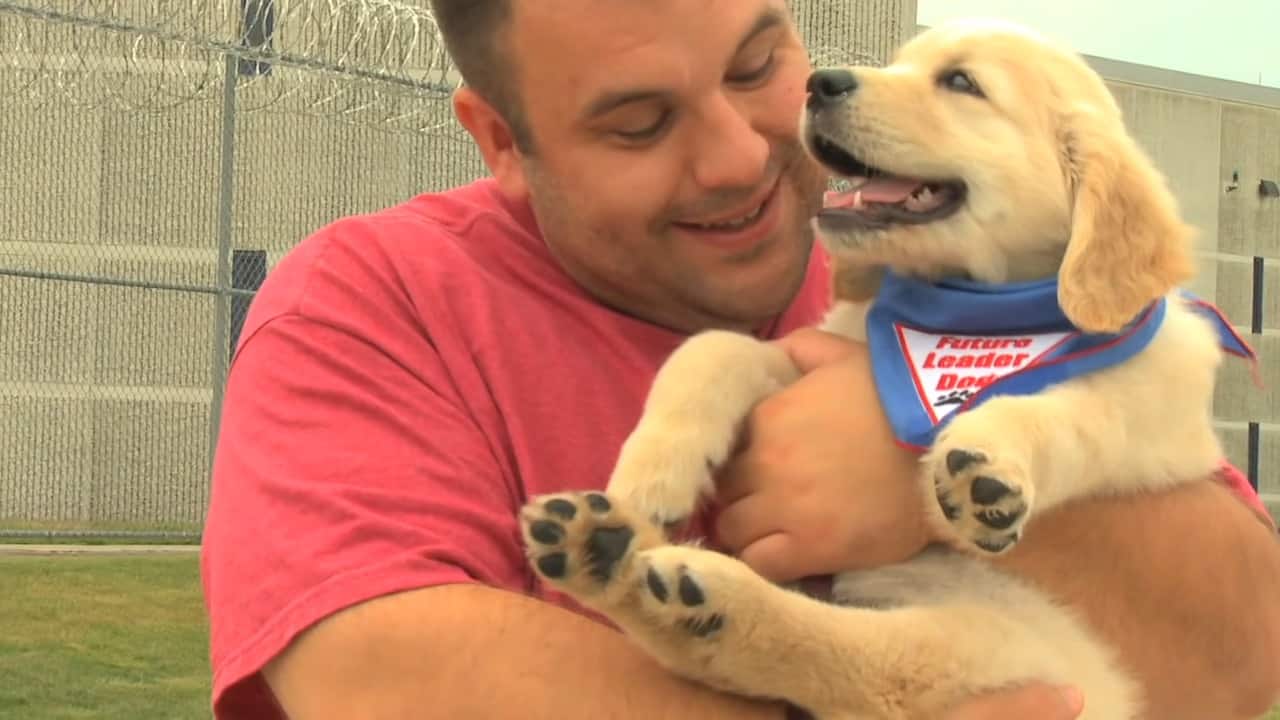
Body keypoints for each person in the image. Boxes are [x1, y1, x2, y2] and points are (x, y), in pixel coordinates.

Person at [199, 1, 1280, 718]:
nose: (738, 158)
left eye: (757, 66)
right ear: (499, 143)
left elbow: (1246, 648)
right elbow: (370, 673)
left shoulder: (943, 270)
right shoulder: (375, 302)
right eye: (636, 124)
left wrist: (909, 465)